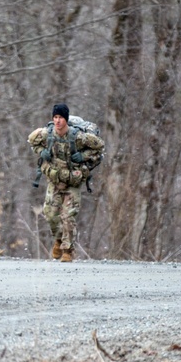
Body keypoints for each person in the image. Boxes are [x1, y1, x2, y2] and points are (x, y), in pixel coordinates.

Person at [27, 103, 104, 262]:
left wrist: (83, 157)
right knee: (50, 214)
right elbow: (32, 142)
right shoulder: (46, 134)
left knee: (68, 216)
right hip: (54, 181)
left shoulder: (78, 137)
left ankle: (68, 250)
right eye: (55, 117)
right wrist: (43, 152)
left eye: (61, 118)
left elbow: (99, 146)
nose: (57, 121)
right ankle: (59, 239)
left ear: (66, 119)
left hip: (72, 182)